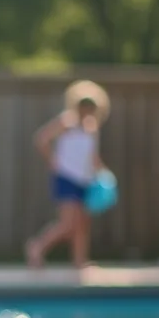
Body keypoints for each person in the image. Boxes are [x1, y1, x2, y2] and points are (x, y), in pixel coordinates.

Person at [25, 80, 109, 269]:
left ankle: (80, 261)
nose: (86, 110)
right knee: (67, 223)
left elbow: (93, 156)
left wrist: (103, 172)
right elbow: (41, 139)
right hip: (66, 177)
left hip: (84, 179)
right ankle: (37, 247)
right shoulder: (66, 122)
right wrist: (52, 162)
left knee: (81, 223)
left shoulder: (92, 127)